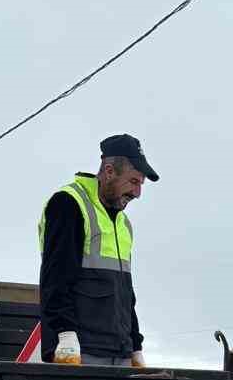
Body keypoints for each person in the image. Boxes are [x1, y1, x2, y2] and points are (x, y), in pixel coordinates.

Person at [38, 134, 159, 366]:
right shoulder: (68, 204)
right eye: (133, 181)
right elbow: (56, 277)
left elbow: (125, 293)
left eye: (140, 185)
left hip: (119, 352)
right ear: (110, 171)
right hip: (80, 351)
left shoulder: (122, 224)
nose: (137, 193)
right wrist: (64, 334)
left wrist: (135, 345)